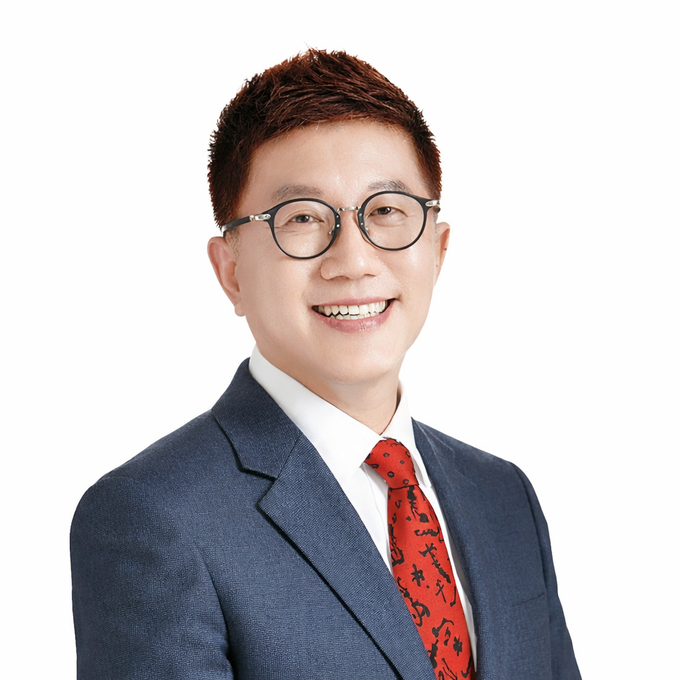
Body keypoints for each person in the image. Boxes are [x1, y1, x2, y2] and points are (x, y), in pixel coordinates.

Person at [70, 50, 580, 680]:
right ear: (231, 272)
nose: (354, 261)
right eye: (304, 219)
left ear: (438, 250)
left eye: (386, 210)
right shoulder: (151, 517)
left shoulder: (503, 496)